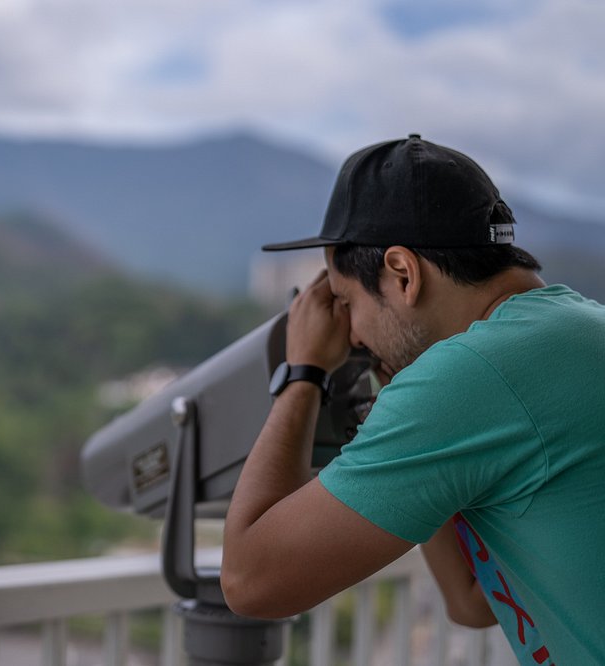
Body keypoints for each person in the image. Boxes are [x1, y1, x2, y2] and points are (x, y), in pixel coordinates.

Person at [221, 134, 605, 663]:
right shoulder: (575, 328)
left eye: (346, 301)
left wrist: (303, 372)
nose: (351, 337)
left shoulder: (479, 373)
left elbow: (250, 581)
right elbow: (472, 601)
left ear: (402, 273)